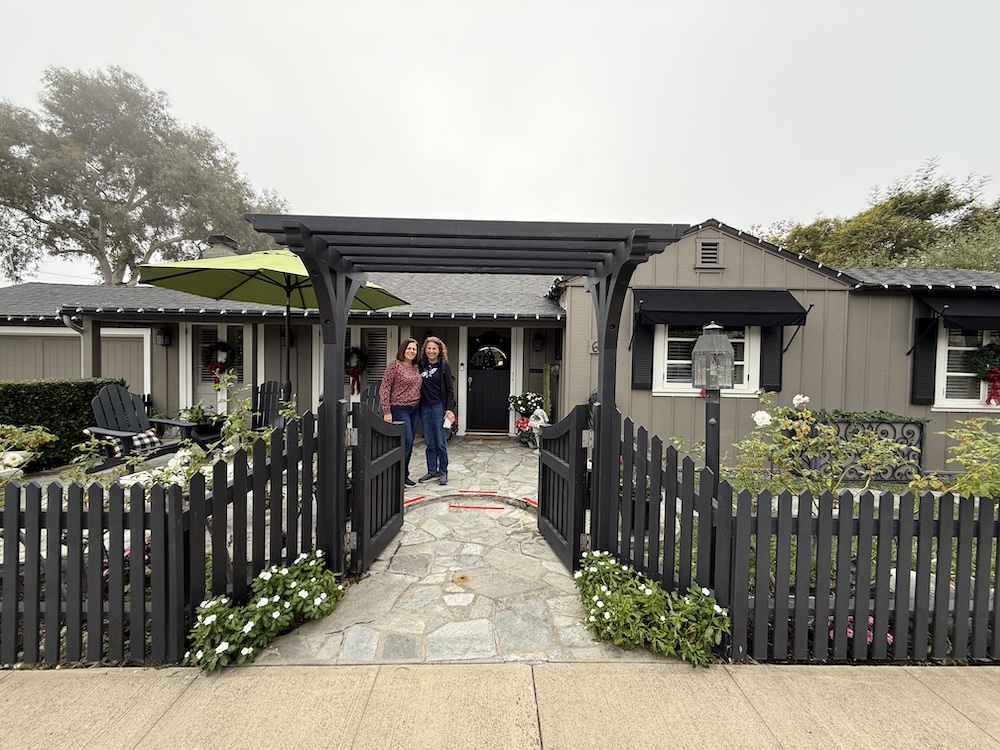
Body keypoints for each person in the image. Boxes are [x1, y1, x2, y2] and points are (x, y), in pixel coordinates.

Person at [379, 338, 421, 486]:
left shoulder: (416, 367)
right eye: (409, 348)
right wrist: (387, 411)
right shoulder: (394, 366)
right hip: (399, 408)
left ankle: (404, 474)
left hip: (415, 409)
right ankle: (397, 476)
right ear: (403, 349)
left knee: (410, 444)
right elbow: (384, 388)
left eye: (414, 349)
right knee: (406, 441)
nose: (411, 351)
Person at [416, 336, 456, 486]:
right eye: (429, 348)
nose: (431, 351)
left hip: (439, 407)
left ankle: (443, 471)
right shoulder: (421, 365)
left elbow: (450, 389)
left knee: (440, 442)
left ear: (439, 350)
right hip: (424, 407)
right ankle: (432, 470)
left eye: (434, 348)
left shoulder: (443, 365)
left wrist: (449, 409)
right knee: (429, 442)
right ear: (425, 350)